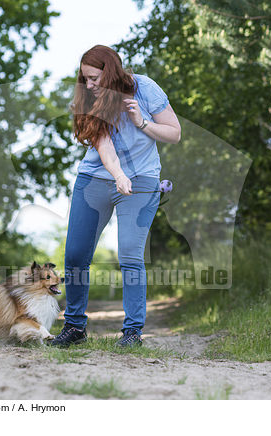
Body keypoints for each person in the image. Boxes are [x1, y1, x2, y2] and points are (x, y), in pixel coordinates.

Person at [50, 44, 181, 348]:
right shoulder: (88, 98)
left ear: (110, 73)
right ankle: (74, 327)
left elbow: (174, 133)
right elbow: (104, 146)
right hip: (95, 178)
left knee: (130, 255)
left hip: (143, 179)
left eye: (94, 78)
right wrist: (119, 175)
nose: (89, 85)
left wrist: (142, 123)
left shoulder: (144, 89)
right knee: (75, 255)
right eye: (85, 79)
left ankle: (133, 332)